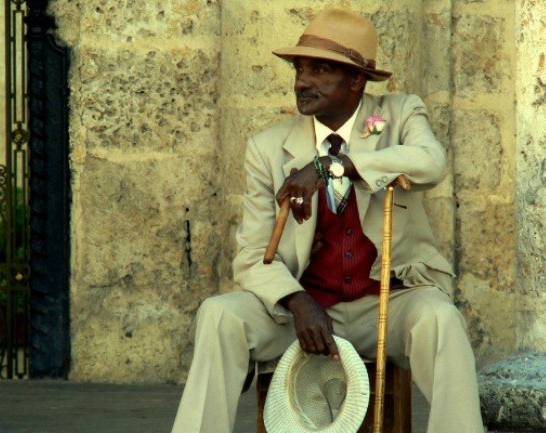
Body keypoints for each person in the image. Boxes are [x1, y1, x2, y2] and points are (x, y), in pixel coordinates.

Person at [171, 8, 484, 433]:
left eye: (319, 70)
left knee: (442, 319)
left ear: (356, 79)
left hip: (387, 305)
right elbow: (250, 256)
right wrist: (299, 303)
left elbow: (431, 164)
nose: (302, 81)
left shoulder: (400, 114)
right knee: (219, 315)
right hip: (304, 313)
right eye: (300, 68)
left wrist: (331, 167)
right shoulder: (267, 148)